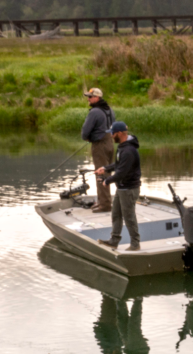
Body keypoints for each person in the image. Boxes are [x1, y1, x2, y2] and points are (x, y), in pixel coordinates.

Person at [95, 121, 142, 251]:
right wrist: (105, 168)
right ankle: (114, 240)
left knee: (129, 217)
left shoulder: (128, 150)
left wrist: (107, 181)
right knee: (116, 214)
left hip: (129, 189)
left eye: (112, 133)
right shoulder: (122, 147)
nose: (111, 136)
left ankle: (135, 243)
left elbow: (121, 172)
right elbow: (118, 165)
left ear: (119, 133)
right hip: (122, 188)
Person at [81, 87, 116, 213]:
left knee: (101, 174)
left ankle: (105, 205)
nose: (88, 99)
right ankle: (103, 202)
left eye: (90, 97)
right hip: (110, 143)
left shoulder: (94, 112)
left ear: (97, 98)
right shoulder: (110, 110)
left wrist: (87, 138)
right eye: (88, 97)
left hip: (99, 145)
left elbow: (85, 131)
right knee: (106, 173)